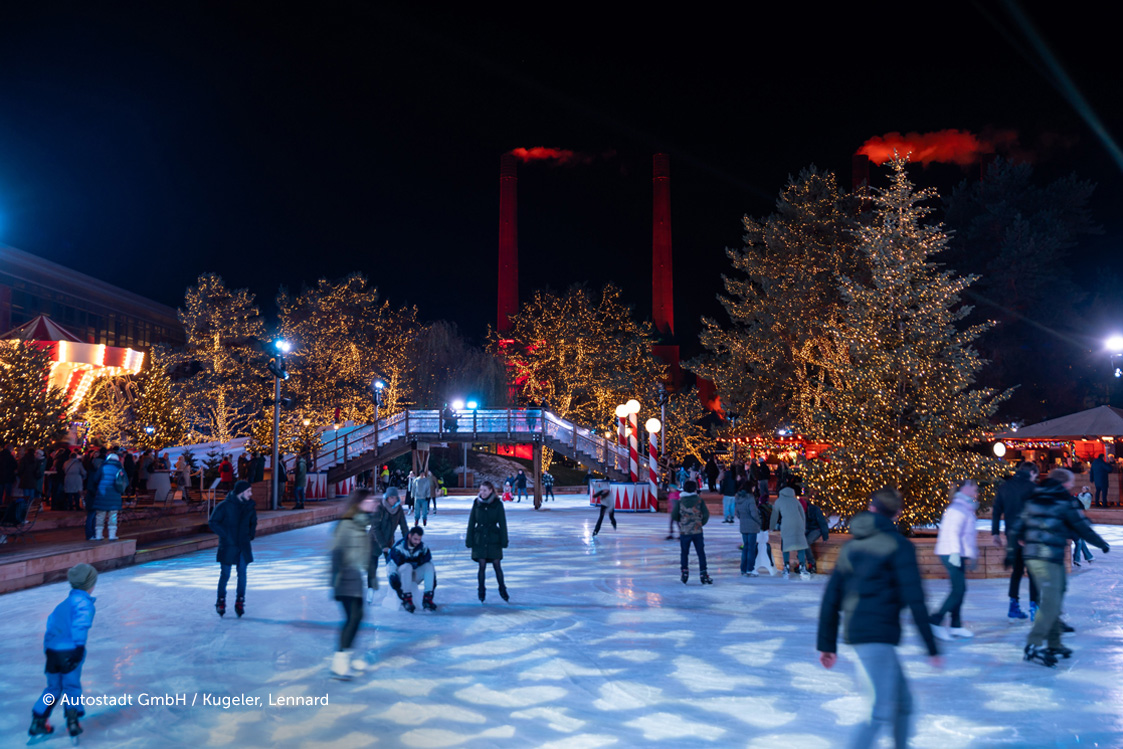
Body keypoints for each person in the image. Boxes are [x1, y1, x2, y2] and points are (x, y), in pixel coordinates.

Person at [817, 487, 941, 749]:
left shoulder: (852, 547)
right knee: (878, 711)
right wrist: (931, 646)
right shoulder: (899, 546)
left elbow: (831, 598)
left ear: (872, 509)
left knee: (903, 705)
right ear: (897, 513)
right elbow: (916, 599)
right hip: (875, 638)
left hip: (868, 635)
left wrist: (827, 644)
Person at [1008, 468, 1110, 666]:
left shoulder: (1035, 495)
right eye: (1070, 483)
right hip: (1048, 557)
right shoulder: (1064, 500)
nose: (1072, 486)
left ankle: (1054, 643)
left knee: (1056, 593)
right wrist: (1101, 544)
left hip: (1033, 555)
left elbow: (1018, 523)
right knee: (1051, 601)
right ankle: (1034, 644)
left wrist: (1014, 546)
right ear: (1064, 484)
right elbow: (1082, 527)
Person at [28, 563, 98, 743]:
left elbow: (50, 627)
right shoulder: (84, 604)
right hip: (71, 651)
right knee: (71, 688)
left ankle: (39, 720)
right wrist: (80, 647)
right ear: (90, 584)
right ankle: (73, 722)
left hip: (52, 652)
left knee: (53, 688)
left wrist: (49, 652)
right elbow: (80, 625)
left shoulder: (62, 605)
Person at [329, 488, 378, 680]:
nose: (374, 503)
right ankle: (340, 662)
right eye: (370, 501)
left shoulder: (362, 524)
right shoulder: (347, 525)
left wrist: (372, 578)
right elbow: (335, 551)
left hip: (355, 577)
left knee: (355, 617)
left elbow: (366, 556)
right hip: (346, 577)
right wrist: (335, 581)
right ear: (360, 503)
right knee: (354, 617)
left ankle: (344, 658)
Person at [929, 479, 980, 641]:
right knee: (958, 589)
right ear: (965, 488)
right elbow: (952, 533)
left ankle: (956, 625)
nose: (976, 492)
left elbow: (968, 536)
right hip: (951, 553)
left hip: (957, 553)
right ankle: (935, 621)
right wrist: (956, 554)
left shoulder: (965, 508)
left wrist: (972, 555)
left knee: (959, 589)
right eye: (974, 488)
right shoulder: (957, 509)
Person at [991, 461, 1039, 620]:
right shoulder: (1032, 488)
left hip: (1011, 536)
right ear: (1031, 473)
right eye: (1035, 476)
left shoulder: (1005, 487)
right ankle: (1035, 609)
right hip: (1029, 537)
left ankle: (1014, 606)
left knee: (1017, 572)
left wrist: (995, 533)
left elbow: (996, 511)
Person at [209, 480, 257, 618]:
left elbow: (253, 522)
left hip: (243, 546)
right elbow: (213, 522)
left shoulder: (249, 507)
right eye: (248, 491)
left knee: (242, 574)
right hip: (228, 545)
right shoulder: (224, 506)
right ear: (241, 492)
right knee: (225, 574)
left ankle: (240, 600)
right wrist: (226, 535)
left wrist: (250, 534)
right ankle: (221, 600)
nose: (250, 494)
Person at [466, 481, 509, 602]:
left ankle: (502, 589)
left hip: (493, 538)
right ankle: (481, 590)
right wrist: (469, 540)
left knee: (497, 564)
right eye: (480, 490)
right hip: (479, 538)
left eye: (484, 490)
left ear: (491, 491)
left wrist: (504, 540)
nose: (482, 493)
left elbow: (502, 524)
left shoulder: (497, 504)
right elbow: (471, 522)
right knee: (482, 565)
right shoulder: (477, 503)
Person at [368, 487, 410, 596]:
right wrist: (383, 545)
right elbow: (376, 529)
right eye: (391, 497)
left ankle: (395, 589)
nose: (393, 500)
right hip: (374, 540)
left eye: (395, 498)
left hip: (389, 541)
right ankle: (370, 590)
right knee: (373, 565)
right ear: (387, 498)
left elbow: (404, 527)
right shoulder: (379, 508)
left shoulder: (398, 509)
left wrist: (409, 542)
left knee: (392, 565)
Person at [388, 526, 438, 613]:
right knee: (407, 566)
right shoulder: (399, 548)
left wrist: (433, 580)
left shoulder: (423, 548)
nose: (417, 542)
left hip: (414, 575)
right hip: (401, 576)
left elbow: (429, 565)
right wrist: (394, 581)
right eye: (415, 539)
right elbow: (391, 566)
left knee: (429, 565)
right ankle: (407, 599)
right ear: (409, 536)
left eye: (419, 539)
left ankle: (427, 599)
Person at [671, 480, 712, 584]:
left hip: (685, 532)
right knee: (700, 553)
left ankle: (684, 571)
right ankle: (703, 573)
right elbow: (706, 514)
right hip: (697, 531)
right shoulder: (699, 500)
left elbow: (674, 515)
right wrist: (700, 523)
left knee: (684, 552)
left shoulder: (680, 501)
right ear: (694, 489)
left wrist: (683, 522)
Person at [771, 486, 810, 579]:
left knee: (786, 546)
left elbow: (774, 515)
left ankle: (786, 567)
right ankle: (802, 566)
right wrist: (803, 526)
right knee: (800, 546)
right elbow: (802, 513)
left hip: (786, 525)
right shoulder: (795, 500)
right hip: (798, 524)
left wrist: (771, 527)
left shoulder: (779, 501)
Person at [91, 451, 126, 541]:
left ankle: (98, 535)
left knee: (100, 515)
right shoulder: (119, 468)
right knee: (113, 516)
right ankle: (112, 535)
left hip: (102, 494)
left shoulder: (102, 467)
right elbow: (125, 482)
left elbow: (95, 479)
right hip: (114, 495)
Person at [735, 489, 762, 577]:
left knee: (745, 547)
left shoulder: (738, 499)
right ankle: (750, 568)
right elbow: (754, 513)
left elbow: (737, 513)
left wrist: (743, 519)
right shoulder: (750, 499)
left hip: (744, 526)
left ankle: (743, 569)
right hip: (752, 526)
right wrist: (759, 521)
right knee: (751, 548)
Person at [804, 497, 830, 573]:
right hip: (807, 528)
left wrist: (825, 537)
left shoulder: (815, 510)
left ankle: (812, 563)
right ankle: (802, 562)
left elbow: (822, 523)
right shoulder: (801, 511)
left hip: (816, 529)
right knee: (801, 541)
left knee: (806, 542)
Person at [1073, 486, 1095, 566]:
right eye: (1082, 488)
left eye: (1084, 489)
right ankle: (1083, 558)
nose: (1082, 490)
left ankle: (1087, 557)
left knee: (1080, 541)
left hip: (1081, 514)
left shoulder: (1087, 495)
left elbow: (1084, 502)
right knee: (1079, 541)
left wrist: (1078, 497)